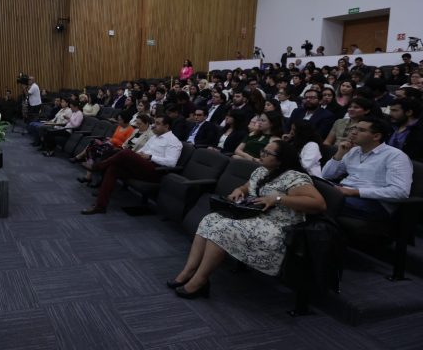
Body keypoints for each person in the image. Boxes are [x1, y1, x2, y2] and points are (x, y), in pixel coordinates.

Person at [168, 140, 326, 298]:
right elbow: (248, 186)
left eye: (267, 153)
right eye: (263, 150)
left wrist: (278, 198)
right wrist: (239, 190)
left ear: (281, 159)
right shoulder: (263, 171)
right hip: (254, 217)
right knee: (210, 219)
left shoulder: (295, 177)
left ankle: (199, 281)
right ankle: (188, 271)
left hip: (278, 227)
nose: (261, 155)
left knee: (222, 228)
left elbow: (319, 204)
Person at [81, 115, 182, 215]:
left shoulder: (174, 141)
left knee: (127, 152)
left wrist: (150, 157)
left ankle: (98, 167)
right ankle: (100, 206)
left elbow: (171, 162)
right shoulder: (154, 137)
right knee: (113, 168)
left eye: (158, 123)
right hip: (142, 166)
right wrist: (137, 155)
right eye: (154, 123)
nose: (154, 126)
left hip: (155, 171)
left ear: (167, 126)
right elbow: (143, 150)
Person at [322, 117, 413, 220]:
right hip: (345, 192)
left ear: (376, 136)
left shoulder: (395, 156)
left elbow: (400, 192)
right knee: (310, 189)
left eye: (361, 130)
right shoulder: (354, 151)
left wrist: (355, 192)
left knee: (320, 201)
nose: (353, 132)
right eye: (354, 128)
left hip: (374, 203)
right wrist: (340, 153)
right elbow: (326, 175)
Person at [72, 113, 134, 184]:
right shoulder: (119, 126)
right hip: (109, 144)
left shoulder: (131, 130)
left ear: (125, 120)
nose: (118, 121)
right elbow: (114, 137)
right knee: (92, 145)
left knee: (93, 148)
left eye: (120, 120)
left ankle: (81, 161)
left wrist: (113, 140)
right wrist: (111, 139)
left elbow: (125, 144)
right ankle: (88, 175)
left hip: (116, 149)